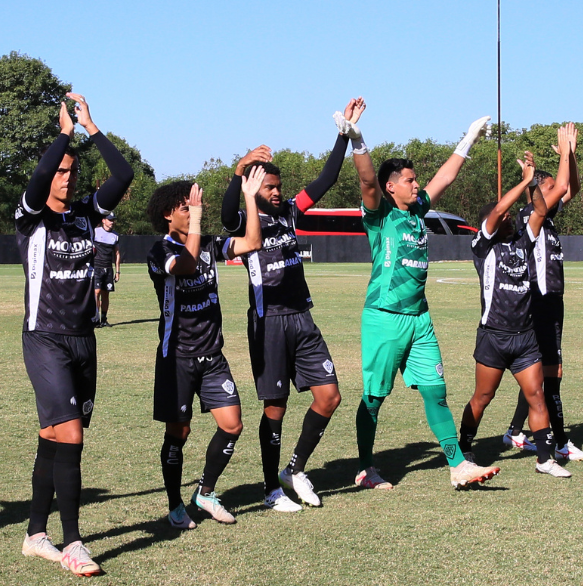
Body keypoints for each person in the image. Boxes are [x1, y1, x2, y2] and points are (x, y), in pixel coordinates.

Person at [336, 101, 500, 489]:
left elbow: (444, 178)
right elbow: (367, 183)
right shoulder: (379, 214)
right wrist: (358, 141)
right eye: (408, 180)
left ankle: (458, 465)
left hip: (419, 318)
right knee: (374, 397)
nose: (416, 184)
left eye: (415, 179)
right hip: (384, 317)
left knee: (436, 390)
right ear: (392, 186)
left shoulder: (417, 210)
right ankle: (365, 468)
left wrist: (469, 137)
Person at [220, 101, 359, 511]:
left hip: (303, 318)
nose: (278, 193)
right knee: (275, 409)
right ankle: (271, 490)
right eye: (269, 188)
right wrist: (239, 169)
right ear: (254, 191)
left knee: (329, 396)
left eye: (279, 187)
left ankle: (293, 468)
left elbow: (328, 177)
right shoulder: (246, 221)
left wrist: (343, 133)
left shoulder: (293, 212)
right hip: (269, 324)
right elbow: (228, 212)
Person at [16, 94, 134, 576]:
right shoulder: (30, 218)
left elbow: (123, 177)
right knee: (72, 434)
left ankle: (34, 535)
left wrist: (90, 127)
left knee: (53, 437)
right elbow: (40, 177)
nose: (67, 178)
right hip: (44, 338)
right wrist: (63, 134)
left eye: (72, 172)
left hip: (84, 339)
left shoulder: (87, 213)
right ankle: (73, 543)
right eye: (61, 171)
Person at [146, 167, 265, 527]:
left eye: (194, 207)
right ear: (169, 214)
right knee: (178, 433)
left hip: (212, 355)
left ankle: (205, 492)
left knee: (232, 425)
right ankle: (174, 504)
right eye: (185, 207)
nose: (193, 211)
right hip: (177, 357)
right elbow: (185, 265)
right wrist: (196, 225)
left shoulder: (210, 242)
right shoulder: (160, 250)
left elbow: (252, 243)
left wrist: (249, 197)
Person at [459, 142, 572, 478]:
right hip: (493, 337)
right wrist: (522, 183)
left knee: (536, 395)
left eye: (509, 214)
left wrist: (532, 182)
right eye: (502, 216)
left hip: (524, 338)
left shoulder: (524, 238)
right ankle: (465, 444)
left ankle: (545, 460)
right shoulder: (482, 246)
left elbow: (538, 210)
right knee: (483, 397)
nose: (508, 216)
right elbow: (496, 212)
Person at [502, 125, 583, 460]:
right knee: (552, 373)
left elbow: (572, 187)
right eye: (549, 190)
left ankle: (516, 431)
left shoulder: (546, 218)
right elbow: (563, 186)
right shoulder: (530, 217)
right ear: (538, 194)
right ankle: (560, 442)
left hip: (554, 305)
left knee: (540, 373)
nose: (558, 196)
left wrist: (572, 157)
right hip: (538, 305)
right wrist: (565, 151)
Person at [93, 212, 121, 327]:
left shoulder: (115, 235)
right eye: (110, 220)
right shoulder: (95, 232)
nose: (112, 222)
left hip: (108, 268)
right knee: (96, 292)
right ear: (103, 220)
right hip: (96, 267)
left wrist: (118, 271)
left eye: (113, 220)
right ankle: (95, 319)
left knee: (106, 294)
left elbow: (117, 254)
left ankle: (104, 319)